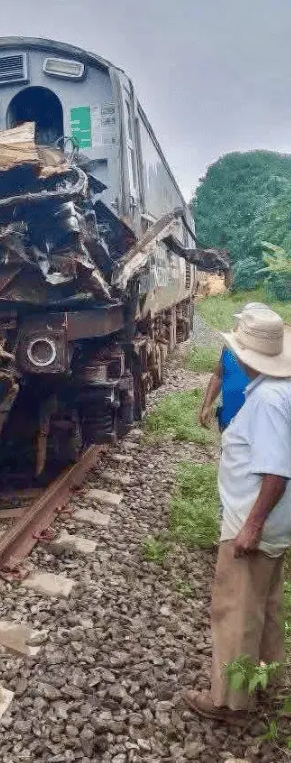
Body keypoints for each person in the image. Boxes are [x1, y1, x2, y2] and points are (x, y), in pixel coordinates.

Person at [183, 306, 291, 724]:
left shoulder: (266, 400)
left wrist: (251, 526)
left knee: (234, 611)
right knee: (266, 605)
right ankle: (267, 680)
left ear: (247, 356)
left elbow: (277, 472)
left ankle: (229, 702)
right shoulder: (280, 389)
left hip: (254, 524)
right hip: (276, 523)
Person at [199, 302, 266, 430]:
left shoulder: (273, 358)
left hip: (258, 425)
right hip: (228, 420)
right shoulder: (229, 348)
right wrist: (207, 405)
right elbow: (218, 376)